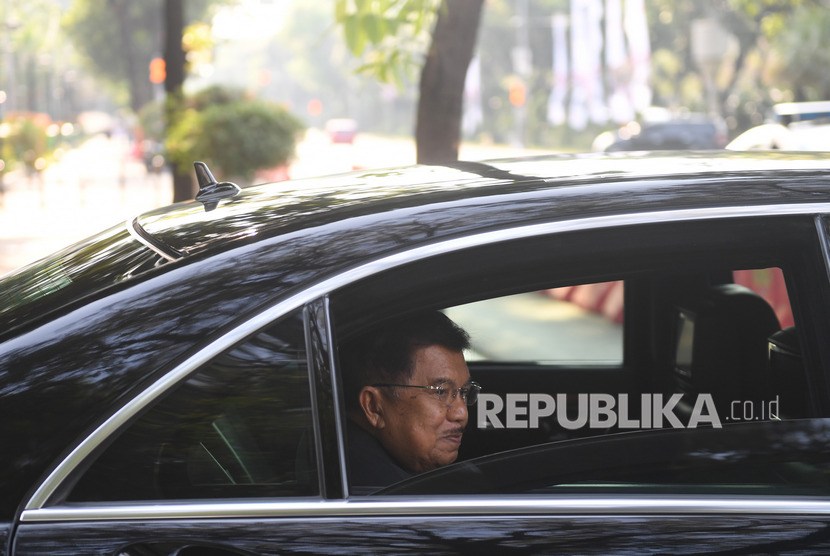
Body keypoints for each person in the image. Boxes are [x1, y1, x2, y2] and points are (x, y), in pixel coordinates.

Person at [340, 311, 480, 493]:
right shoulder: (377, 494)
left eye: (464, 392)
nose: (461, 413)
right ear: (374, 407)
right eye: (442, 392)